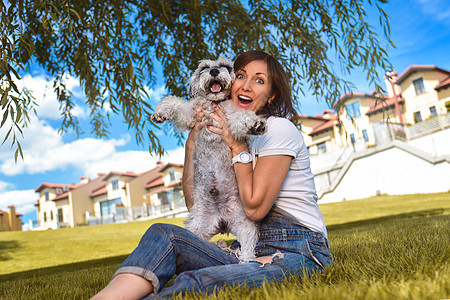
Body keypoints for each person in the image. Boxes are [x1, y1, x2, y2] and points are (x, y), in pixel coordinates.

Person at [91, 50, 332, 299]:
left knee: (199, 283)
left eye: (259, 80)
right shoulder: (226, 125)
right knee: (163, 234)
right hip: (245, 249)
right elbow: (194, 203)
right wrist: (193, 141)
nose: (247, 86)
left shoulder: (276, 128)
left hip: (296, 250)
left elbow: (254, 209)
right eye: (241, 76)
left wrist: (236, 146)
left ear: (271, 95)